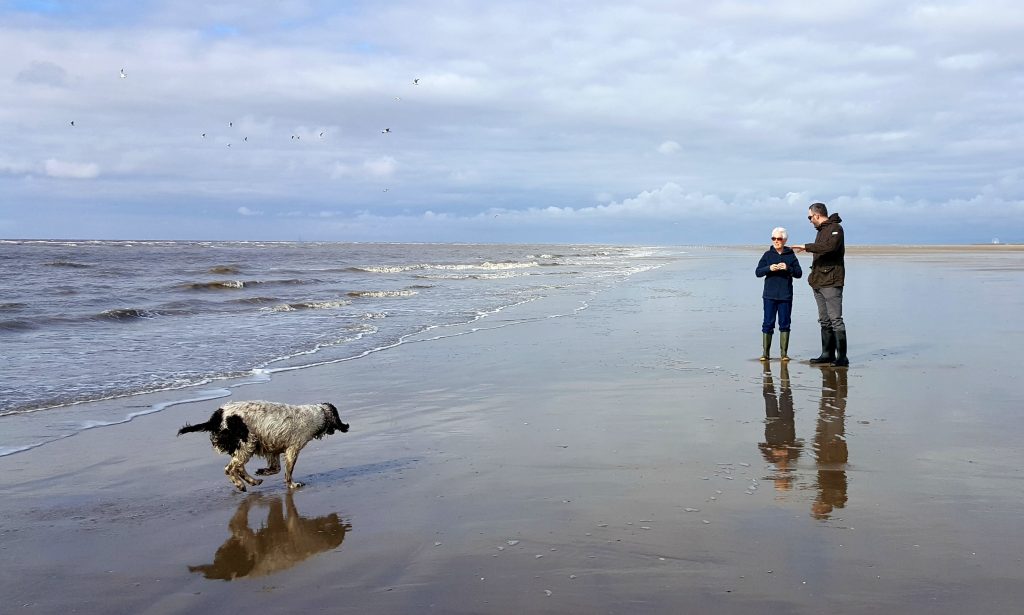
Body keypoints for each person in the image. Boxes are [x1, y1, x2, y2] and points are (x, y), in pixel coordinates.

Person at [792, 203, 848, 367]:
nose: (810, 221)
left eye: (810, 217)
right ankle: (827, 354)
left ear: (817, 215)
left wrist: (806, 246)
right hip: (818, 281)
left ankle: (842, 358)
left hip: (832, 281)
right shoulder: (821, 231)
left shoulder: (836, 228)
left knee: (835, 319)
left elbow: (829, 247)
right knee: (824, 320)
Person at [755, 227, 802, 361]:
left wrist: (788, 268)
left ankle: (784, 354)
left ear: (785, 240)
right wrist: (769, 268)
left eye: (779, 239)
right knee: (768, 323)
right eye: (774, 238)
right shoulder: (767, 255)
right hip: (769, 295)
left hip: (785, 295)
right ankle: (765, 354)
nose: (776, 241)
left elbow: (799, 273)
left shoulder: (790, 255)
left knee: (785, 323)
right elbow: (758, 272)